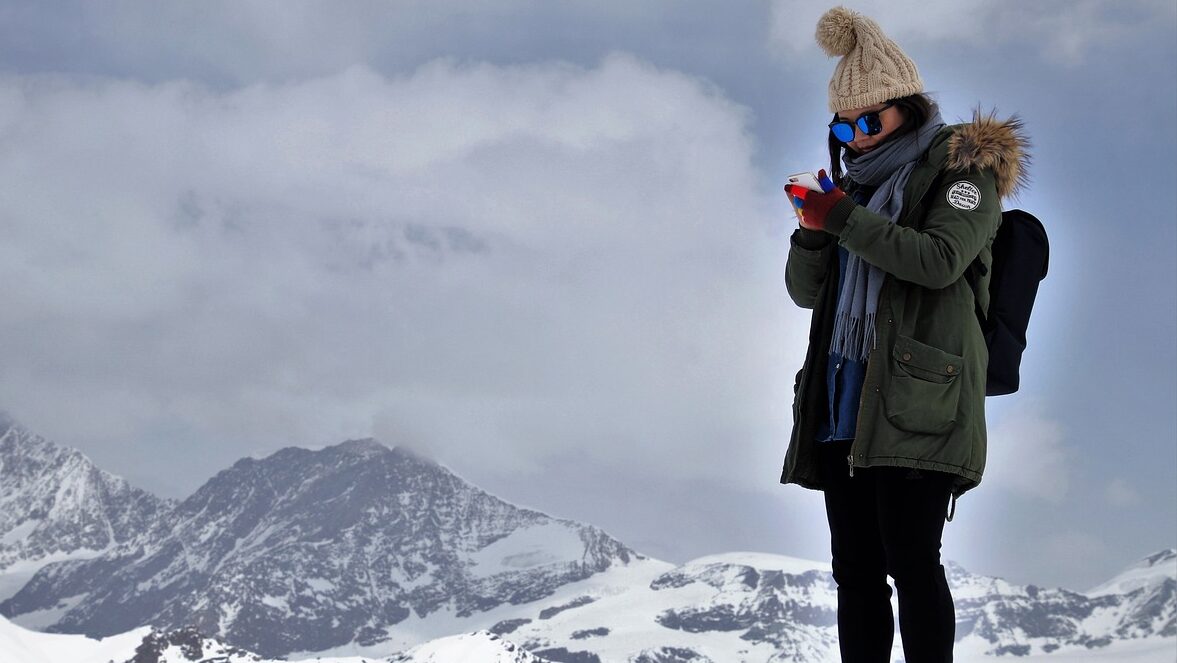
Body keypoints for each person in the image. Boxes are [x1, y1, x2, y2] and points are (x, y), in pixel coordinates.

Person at [778, 7, 1030, 663]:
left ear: (908, 109)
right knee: (853, 570)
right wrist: (812, 230)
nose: (856, 137)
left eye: (869, 121)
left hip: (919, 397)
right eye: (843, 125)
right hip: (843, 398)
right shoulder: (850, 193)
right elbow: (806, 294)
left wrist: (839, 219)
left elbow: (936, 260)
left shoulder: (963, 172)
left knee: (911, 561)